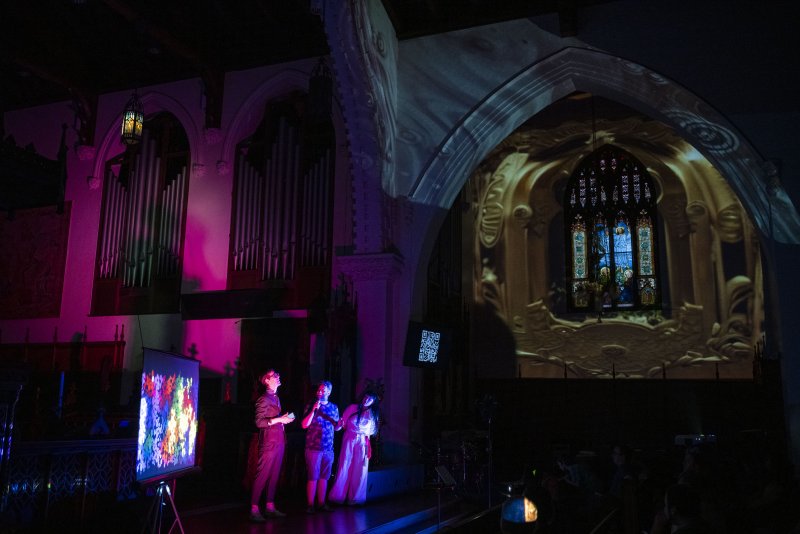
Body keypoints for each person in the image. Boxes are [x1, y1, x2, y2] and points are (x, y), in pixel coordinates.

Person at [249, 369, 295, 523]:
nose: (278, 376)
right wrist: (279, 420)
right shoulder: (263, 399)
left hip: (279, 441)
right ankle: (254, 509)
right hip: (269, 443)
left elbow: (275, 419)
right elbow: (259, 422)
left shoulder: (276, 398)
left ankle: (269, 506)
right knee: (262, 475)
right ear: (267, 380)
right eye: (274, 376)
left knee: (275, 475)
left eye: (277, 375)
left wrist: (284, 419)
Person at [329, 390, 379, 505]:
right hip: (349, 438)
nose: (366, 400)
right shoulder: (352, 408)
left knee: (360, 468)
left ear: (373, 402)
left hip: (363, 441)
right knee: (344, 464)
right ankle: (338, 497)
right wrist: (338, 425)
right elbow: (340, 425)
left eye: (370, 399)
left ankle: (356, 498)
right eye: (366, 397)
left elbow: (372, 431)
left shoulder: (372, 414)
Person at [300, 380, 339, 513]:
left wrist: (340, 425)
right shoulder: (311, 405)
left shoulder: (334, 408)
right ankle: (310, 505)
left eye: (323, 390)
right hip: (313, 447)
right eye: (318, 390)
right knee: (313, 476)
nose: (319, 392)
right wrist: (313, 410)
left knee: (324, 477)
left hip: (328, 448)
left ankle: (321, 503)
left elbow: (336, 426)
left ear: (329, 392)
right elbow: (304, 425)